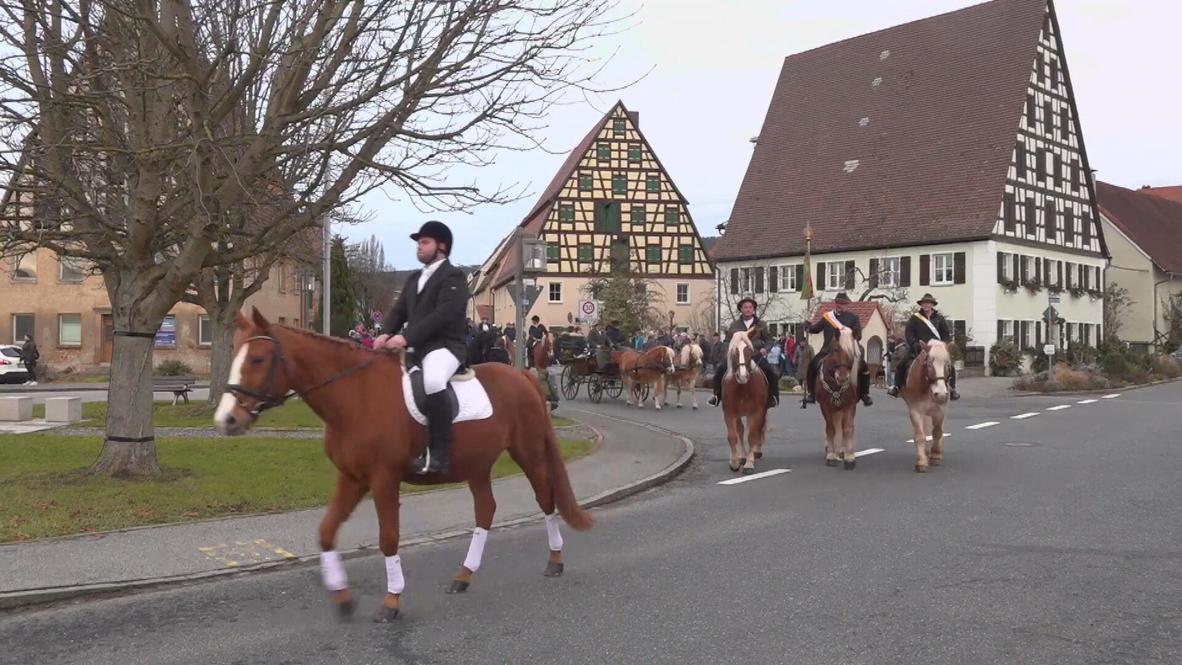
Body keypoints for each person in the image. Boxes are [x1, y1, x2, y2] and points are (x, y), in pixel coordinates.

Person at [374, 221, 470, 475]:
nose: (419, 246)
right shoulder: (415, 278)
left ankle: (440, 455)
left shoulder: (454, 277)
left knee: (434, 381)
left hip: (447, 346)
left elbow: (443, 315)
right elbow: (399, 311)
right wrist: (384, 333)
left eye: (425, 242)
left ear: (441, 246)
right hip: (419, 349)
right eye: (418, 242)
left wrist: (405, 338)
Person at [707, 298, 780, 408]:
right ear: (741, 309)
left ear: (754, 310)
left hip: (755, 355)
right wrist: (729, 351)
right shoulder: (734, 325)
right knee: (720, 370)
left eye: (750, 307)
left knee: (771, 372)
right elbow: (727, 341)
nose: (748, 309)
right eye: (745, 307)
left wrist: (766, 349)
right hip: (737, 356)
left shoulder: (761, 325)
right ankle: (717, 396)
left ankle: (772, 397)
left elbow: (769, 339)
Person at [803, 292, 873, 407]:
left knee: (864, 367)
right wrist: (808, 326)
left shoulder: (853, 318)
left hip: (847, 351)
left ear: (847, 305)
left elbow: (858, 335)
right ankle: (812, 394)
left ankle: (865, 394)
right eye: (838, 303)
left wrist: (854, 333)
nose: (840, 305)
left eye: (843, 304)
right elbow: (816, 329)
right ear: (835, 303)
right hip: (828, 350)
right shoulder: (827, 317)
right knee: (813, 364)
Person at [887, 293, 960, 400]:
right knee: (902, 364)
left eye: (928, 303)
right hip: (918, 348)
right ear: (921, 305)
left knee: (950, 367)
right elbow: (909, 333)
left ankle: (952, 389)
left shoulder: (939, 319)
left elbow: (946, 335)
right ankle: (896, 387)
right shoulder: (915, 318)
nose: (926, 305)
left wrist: (945, 345)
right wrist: (914, 343)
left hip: (935, 350)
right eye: (924, 303)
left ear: (932, 305)